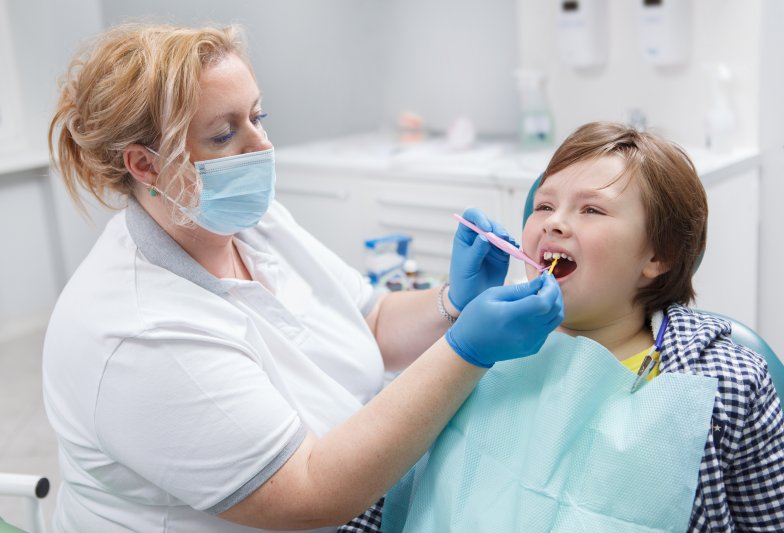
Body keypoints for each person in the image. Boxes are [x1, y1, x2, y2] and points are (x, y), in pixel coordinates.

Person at [41, 23, 564, 533]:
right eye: (224, 134)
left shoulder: (246, 224)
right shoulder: (139, 332)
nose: (261, 145)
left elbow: (373, 322)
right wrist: (465, 350)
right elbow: (312, 495)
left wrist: (453, 301)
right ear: (145, 166)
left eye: (257, 117)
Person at [375, 122, 784, 532]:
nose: (554, 223)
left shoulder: (726, 383)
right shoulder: (470, 345)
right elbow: (375, 487)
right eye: (543, 206)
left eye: (592, 209)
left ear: (658, 256)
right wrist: (454, 337)